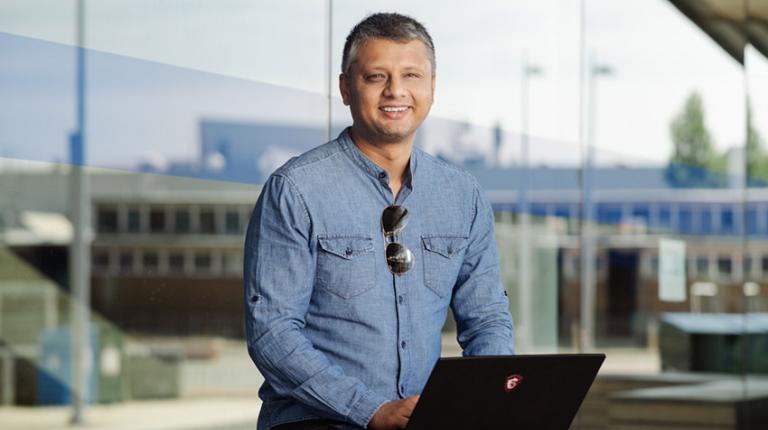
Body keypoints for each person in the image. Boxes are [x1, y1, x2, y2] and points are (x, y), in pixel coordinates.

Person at [244, 12, 514, 430]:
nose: (396, 91)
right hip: (317, 422)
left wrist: (486, 400)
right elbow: (272, 332)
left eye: (411, 75)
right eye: (376, 77)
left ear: (432, 88)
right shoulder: (296, 190)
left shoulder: (462, 195)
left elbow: (488, 319)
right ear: (346, 88)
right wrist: (371, 411)